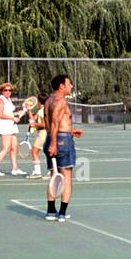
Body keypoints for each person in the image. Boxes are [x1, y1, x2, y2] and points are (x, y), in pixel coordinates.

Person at [44, 74, 81, 221]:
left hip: (53, 138)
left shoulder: (48, 101)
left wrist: (71, 131)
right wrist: (55, 143)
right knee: (66, 177)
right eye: (69, 84)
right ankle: (62, 213)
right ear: (62, 86)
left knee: (54, 175)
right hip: (61, 140)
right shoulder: (61, 102)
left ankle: (51, 211)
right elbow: (54, 124)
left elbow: (51, 124)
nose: (71, 86)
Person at [0, 82, 27, 176]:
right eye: (6, 90)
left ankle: (15, 168)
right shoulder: (0, 100)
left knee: (14, 147)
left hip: (11, 125)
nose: (8, 92)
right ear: (2, 91)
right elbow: (1, 115)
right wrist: (13, 118)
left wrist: (21, 112)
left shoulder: (8, 99)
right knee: (6, 148)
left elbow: (9, 112)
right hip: (4, 125)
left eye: (10, 90)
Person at [23, 92, 48, 177]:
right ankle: (51, 171)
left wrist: (35, 125)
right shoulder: (44, 110)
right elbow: (32, 120)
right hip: (45, 134)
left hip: (43, 134)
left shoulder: (42, 111)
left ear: (39, 102)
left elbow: (44, 125)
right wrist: (29, 110)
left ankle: (37, 172)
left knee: (34, 152)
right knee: (48, 153)